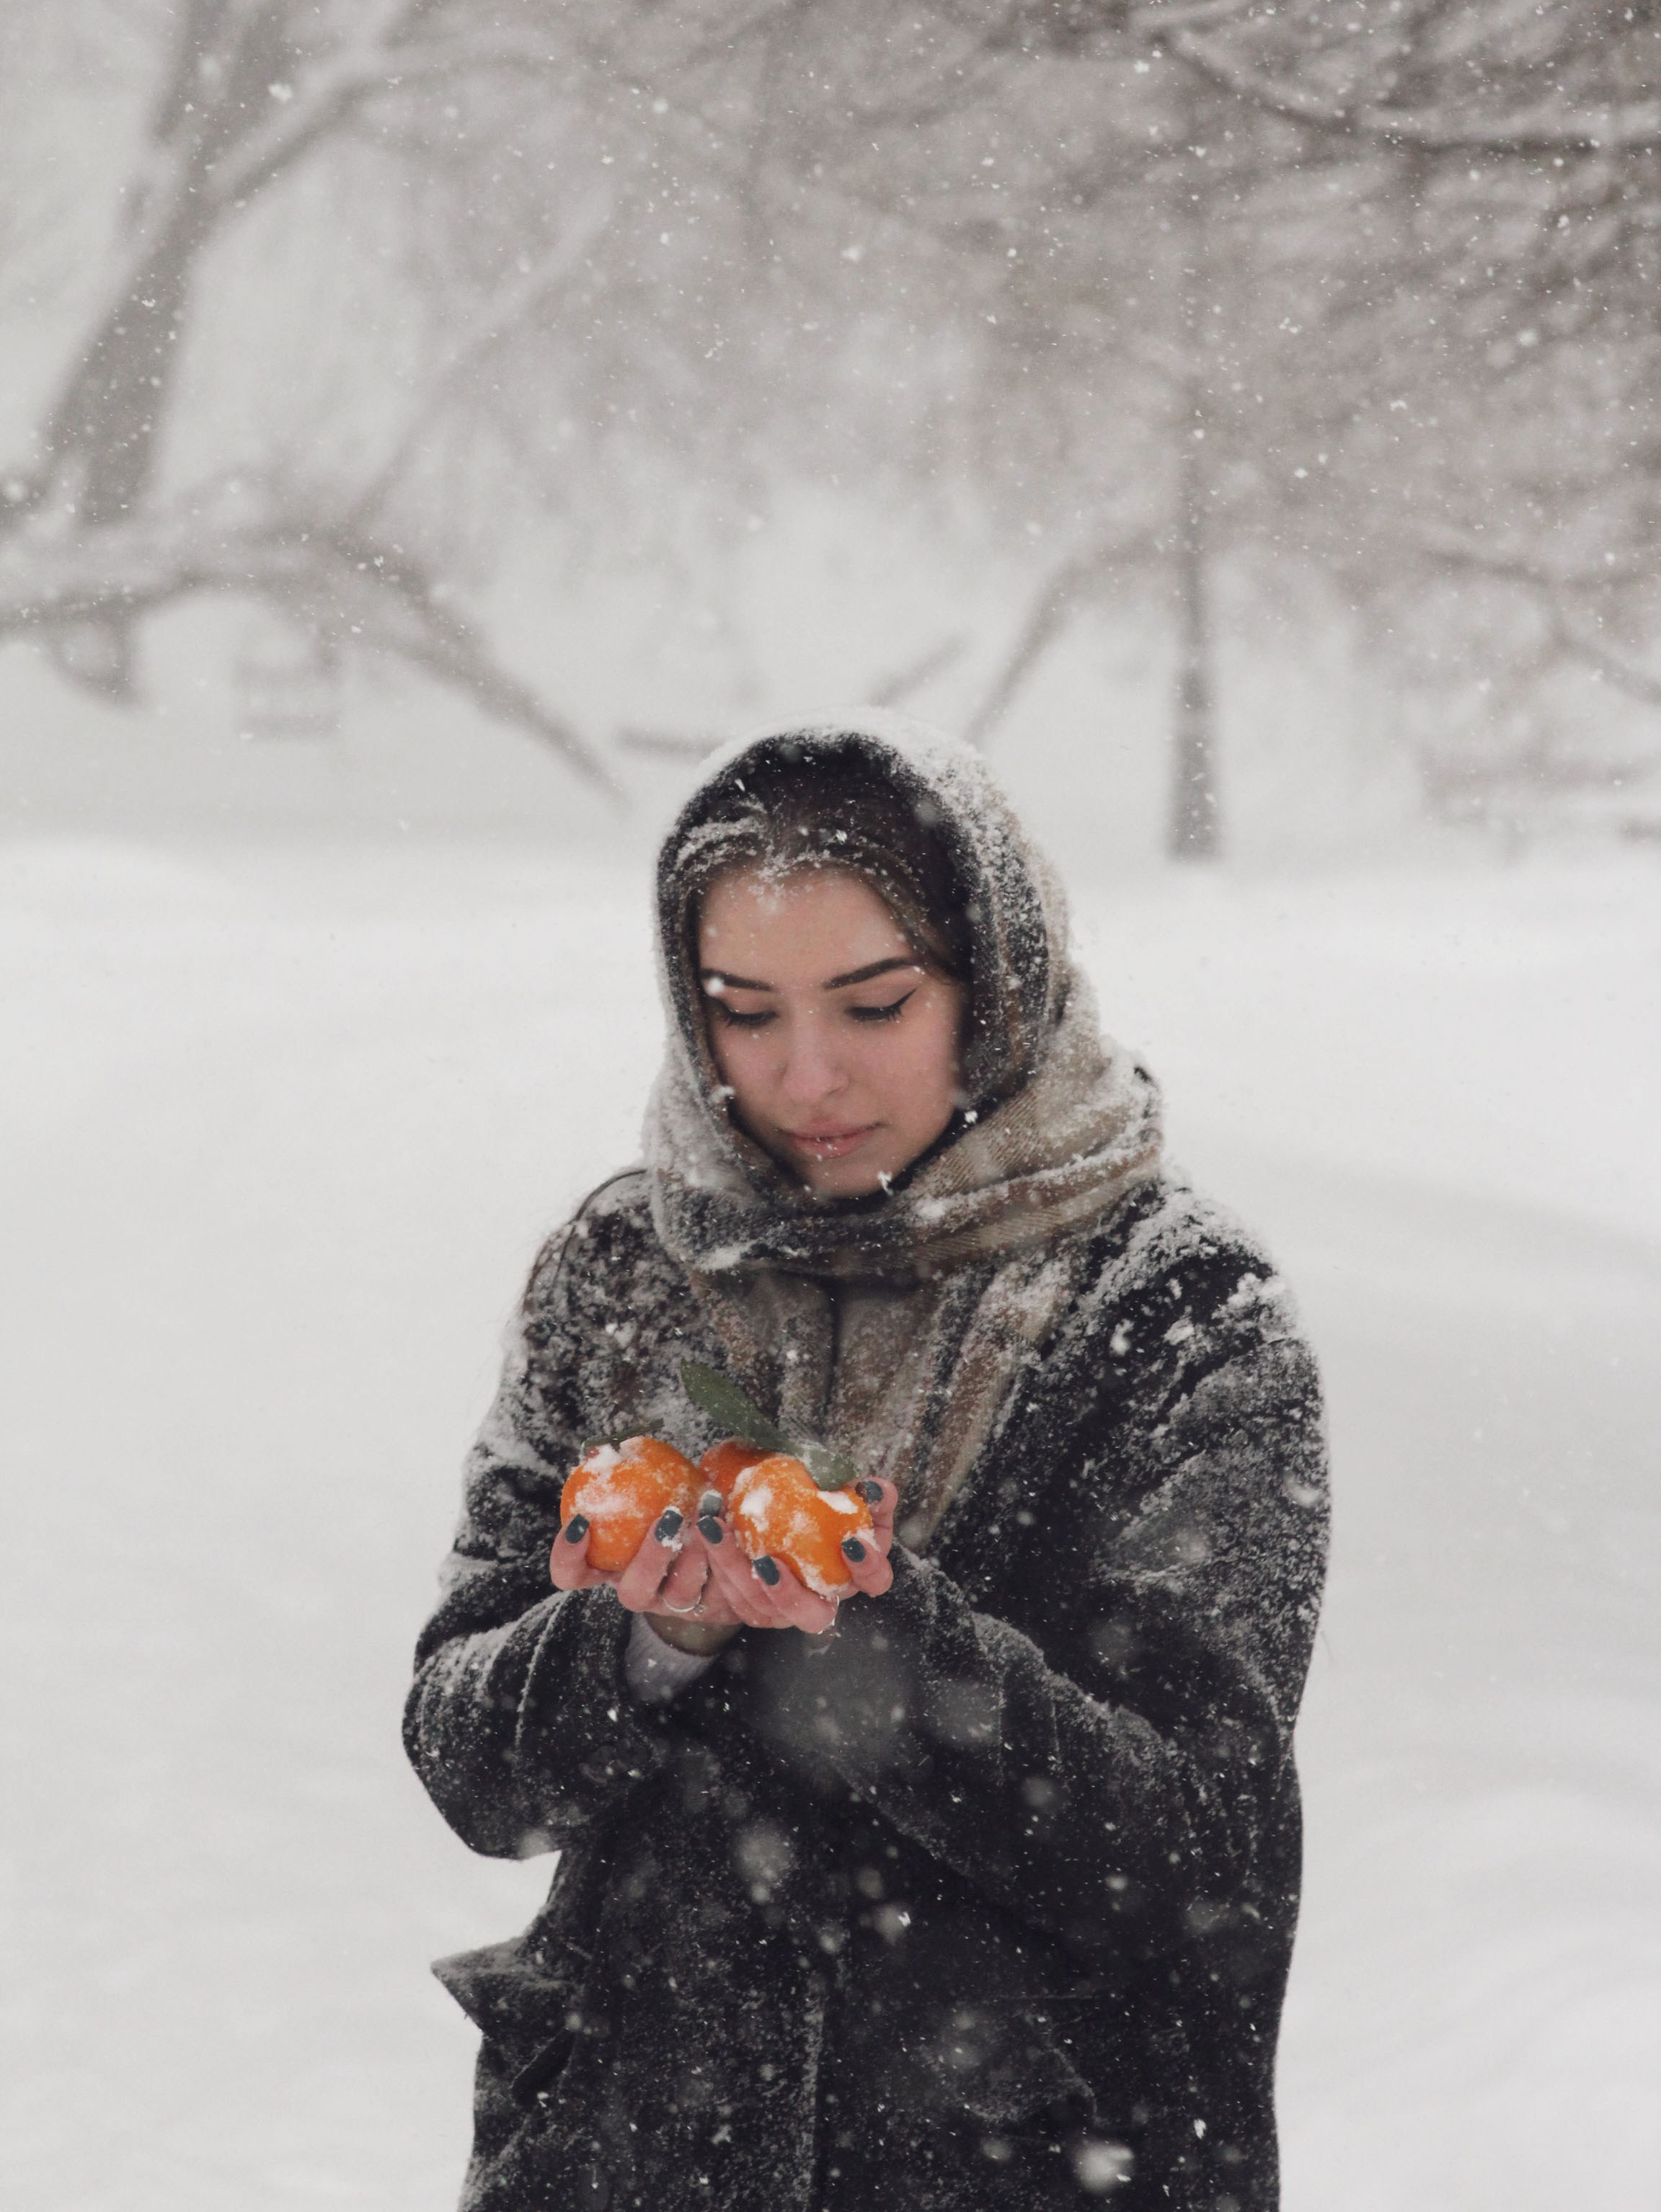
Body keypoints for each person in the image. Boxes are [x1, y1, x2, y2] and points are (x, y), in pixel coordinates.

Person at [404, 715, 1328, 2212]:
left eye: (874, 1003)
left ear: (996, 980)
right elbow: (472, 1764)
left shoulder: (1174, 1316)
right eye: (743, 1011)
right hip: (629, 2158)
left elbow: (1193, 1858)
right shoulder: (630, 1270)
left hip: (1033, 2165)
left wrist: (876, 1636)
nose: (805, 1074)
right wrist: (642, 1640)